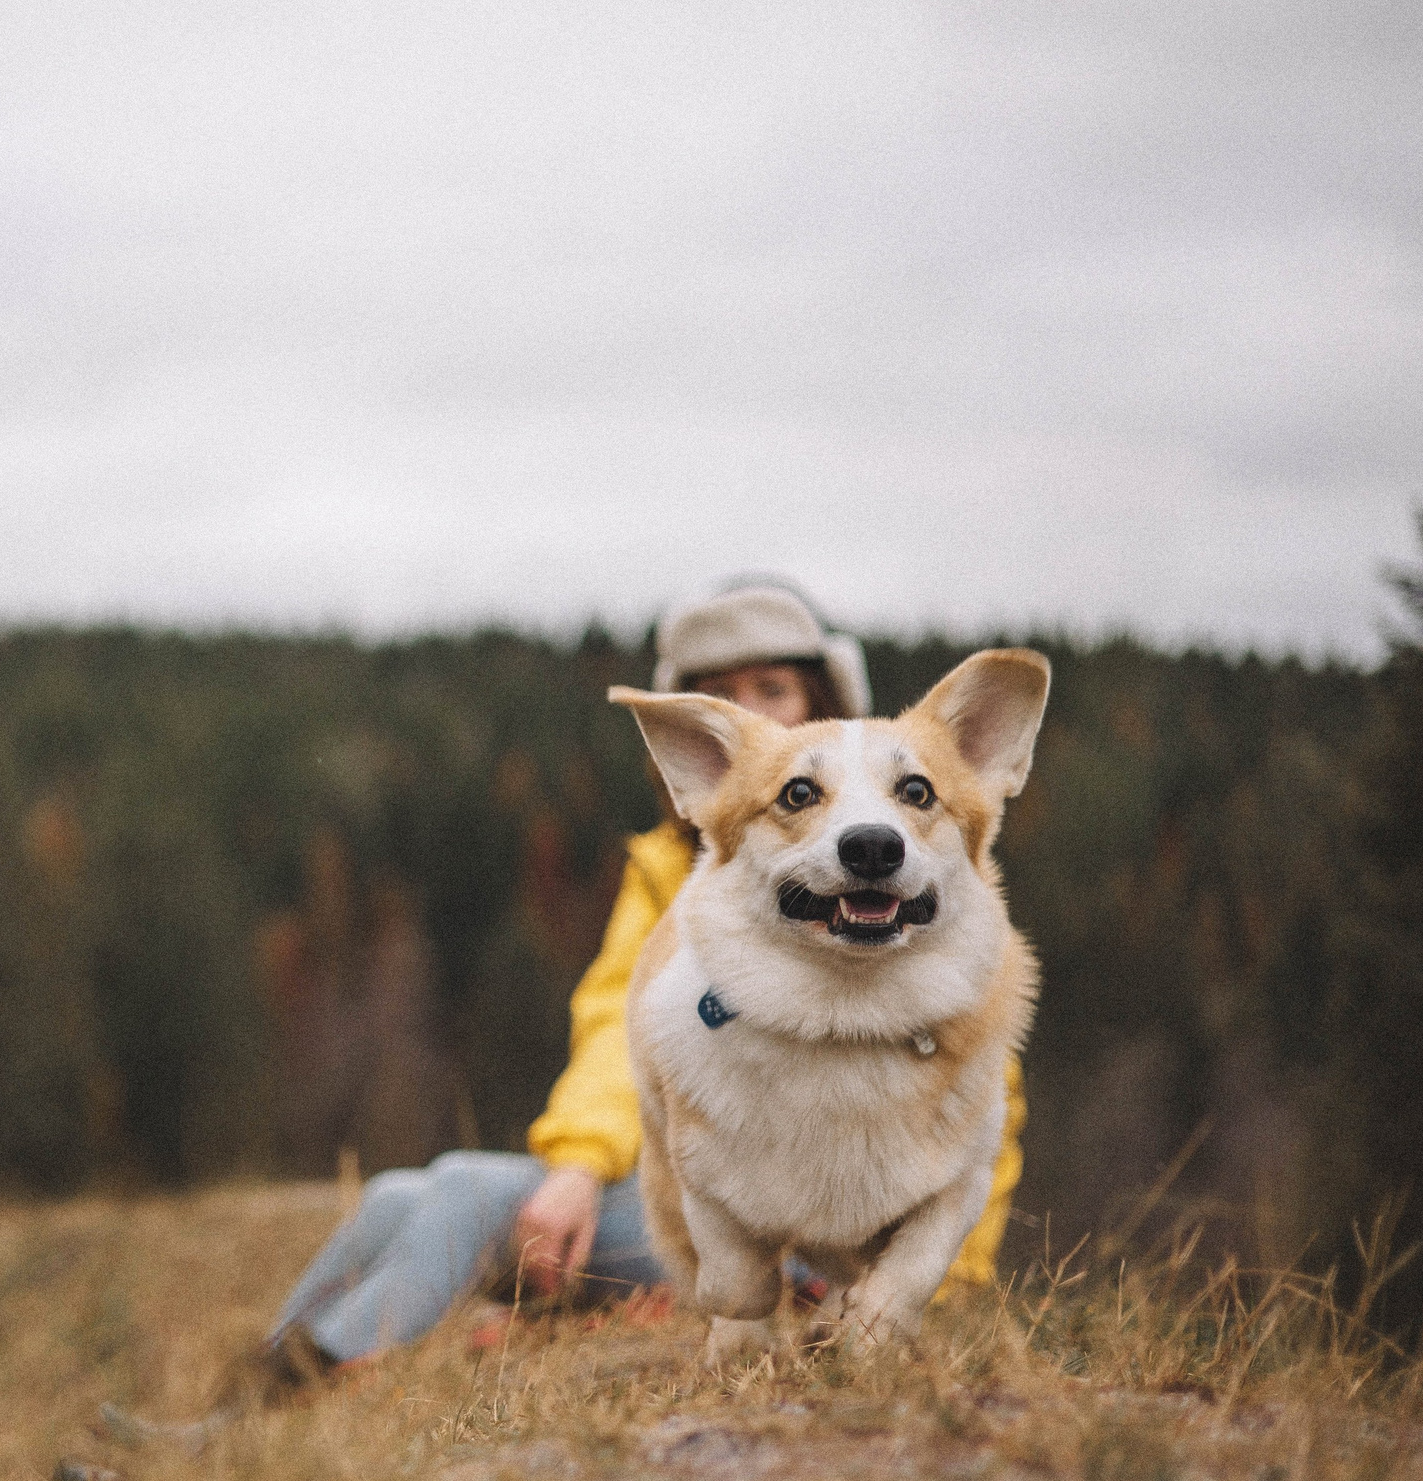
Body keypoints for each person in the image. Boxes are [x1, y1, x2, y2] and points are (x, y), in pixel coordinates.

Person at [261, 583, 1027, 1380]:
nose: (749, 711)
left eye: (772, 687)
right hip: (692, 1192)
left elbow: (973, 1091)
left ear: (823, 697)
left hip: (804, 1258)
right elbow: (615, 1030)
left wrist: (942, 1279)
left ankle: (302, 1392)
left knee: (463, 1193)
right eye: (718, 696)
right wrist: (580, 1166)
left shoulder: (921, 879)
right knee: (394, 1194)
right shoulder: (671, 871)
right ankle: (265, 1385)